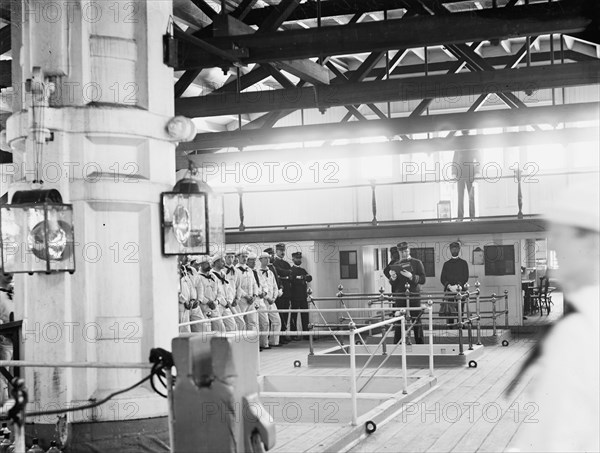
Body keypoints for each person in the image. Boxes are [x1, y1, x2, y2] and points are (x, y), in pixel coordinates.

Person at [508, 182, 599, 452]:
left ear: (593, 242)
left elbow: (555, 441)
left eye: (560, 235)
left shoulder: (579, 334)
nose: (555, 246)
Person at [385, 242, 426, 344]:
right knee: (399, 321)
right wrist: (393, 278)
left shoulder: (417, 263)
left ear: (409, 251)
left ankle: (420, 345)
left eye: (406, 251)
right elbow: (393, 283)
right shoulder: (395, 265)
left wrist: (411, 276)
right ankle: (397, 345)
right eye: (402, 251)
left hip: (414, 296)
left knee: (417, 321)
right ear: (399, 252)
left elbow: (423, 279)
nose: (404, 253)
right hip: (400, 296)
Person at [439, 241, 470, 327]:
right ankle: (450, 326)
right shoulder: (446, 264)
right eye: (452, 248)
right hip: (449, 291)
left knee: (461, 308)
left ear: (459, 249)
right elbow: (442, 278)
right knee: (450, 309)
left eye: (456, 248)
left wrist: (457, 286)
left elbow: (465, 277)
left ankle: (461, 325)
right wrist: (449, 286)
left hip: (460, 290)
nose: (454, 250)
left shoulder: (463, 263)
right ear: (450, 250)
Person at [195, 255, 225, 333]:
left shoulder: (213, 276)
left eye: (209, 262)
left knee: (221, 329)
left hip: (215, 307)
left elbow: (219, 292)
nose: (209, 265)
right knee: (206, 331)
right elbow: (198, 293)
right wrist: (208, 302)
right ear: (201, 265)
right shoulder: (197, 277)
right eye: (206, 263)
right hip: (204, 308)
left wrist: (216, 301)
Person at [452, 138, 480, 219]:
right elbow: (455, 160)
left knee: (471, 196)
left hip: (470, 173)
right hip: (460, 174)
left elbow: (478, 158)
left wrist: (477, 172)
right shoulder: (458, 145)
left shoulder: (472, 144)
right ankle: (460, 217)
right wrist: (454, 173)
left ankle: (472, 217)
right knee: (460, 196)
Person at [258, 252, 282, 348]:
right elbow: (259, 288)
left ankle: (274, 341)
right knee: (264, 323)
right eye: (265, 258)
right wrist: (267, 298)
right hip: (262, 300)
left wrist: (274, 298)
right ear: (260, 260)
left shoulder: (270, 272)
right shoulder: (257, 272)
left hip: (272, 301)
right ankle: (264, 343)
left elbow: (275, 286)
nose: (267, 260)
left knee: (277, 321)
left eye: (268, 258)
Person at [248, 253, 270, 350]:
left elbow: (264, 284)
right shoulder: (246, 272)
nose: (253, 262)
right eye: (251, 260)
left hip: (261, 299)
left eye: (254, 260)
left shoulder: (257, 272)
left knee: (265, 322)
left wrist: (264, 292)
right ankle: (255, 345)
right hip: (252, 299)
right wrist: (255, 294)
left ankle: (264, 343)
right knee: (254, 323)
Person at [235, 249, 259, 334]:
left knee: (252, 322)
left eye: (246, 257)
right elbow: (236, 287)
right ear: (238, 257)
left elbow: (254, 284)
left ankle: (251, 344)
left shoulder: (249, 270)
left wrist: (255, 295)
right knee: (241, 322)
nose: (245, 259)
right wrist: (246, 296)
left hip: (251, 299)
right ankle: (242, 343)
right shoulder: (235, 270)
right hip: (242, 299)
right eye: (242, 257)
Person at [210, 254, 237, 332]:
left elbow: (228, 288)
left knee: (232, 325)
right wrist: (225, 303)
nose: (224, 263)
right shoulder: (211, 275)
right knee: (219, 328)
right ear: (216, 262)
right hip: (218, 304)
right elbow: (217, 292)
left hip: (226, 304)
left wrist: (229, 300)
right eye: (222, 261)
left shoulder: (223, 274)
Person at [289, 251, 312, 340]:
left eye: (299, 258)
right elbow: (293, 280)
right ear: (293, 259)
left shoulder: (302, 270)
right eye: (297, 258)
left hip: (303, 296)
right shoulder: (291, 270)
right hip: (294, 296)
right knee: (294, 316)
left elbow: (309, 278)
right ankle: (293, 334)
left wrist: (302, 277)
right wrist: (301, 278)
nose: (298, 260)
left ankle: (306, 334)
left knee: (305, 315)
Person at [272, 243, 292, 344]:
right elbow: (282, 272)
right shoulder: (274, 263)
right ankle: (280, 336)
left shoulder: (286, 263)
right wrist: (287, 273)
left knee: (285, 313)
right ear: (277, 251)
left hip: (287, 291)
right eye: (280, 250)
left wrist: (286, 273)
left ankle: (284, 333)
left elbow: (290, 272)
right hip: (279, 292)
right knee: (279, 314)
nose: (282, 252)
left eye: (283, 250)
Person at [223, 248, 246, 331]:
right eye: (228, 257)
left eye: (232, 257)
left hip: (233, 301)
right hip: (224, 302)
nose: (230, 259)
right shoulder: (221, 271)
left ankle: (240, 342)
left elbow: (238, 287)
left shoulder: (236, 271)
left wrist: (237, 299)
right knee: (231, 324)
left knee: (241, 322)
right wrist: (226, 300)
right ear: (224, 258)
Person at [0, 273, 14, 403]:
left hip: (16, 339)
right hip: (4, 339)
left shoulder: (13, 292)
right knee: (3, 375)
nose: (10, 275)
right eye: (5, 272)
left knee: (13, 376)